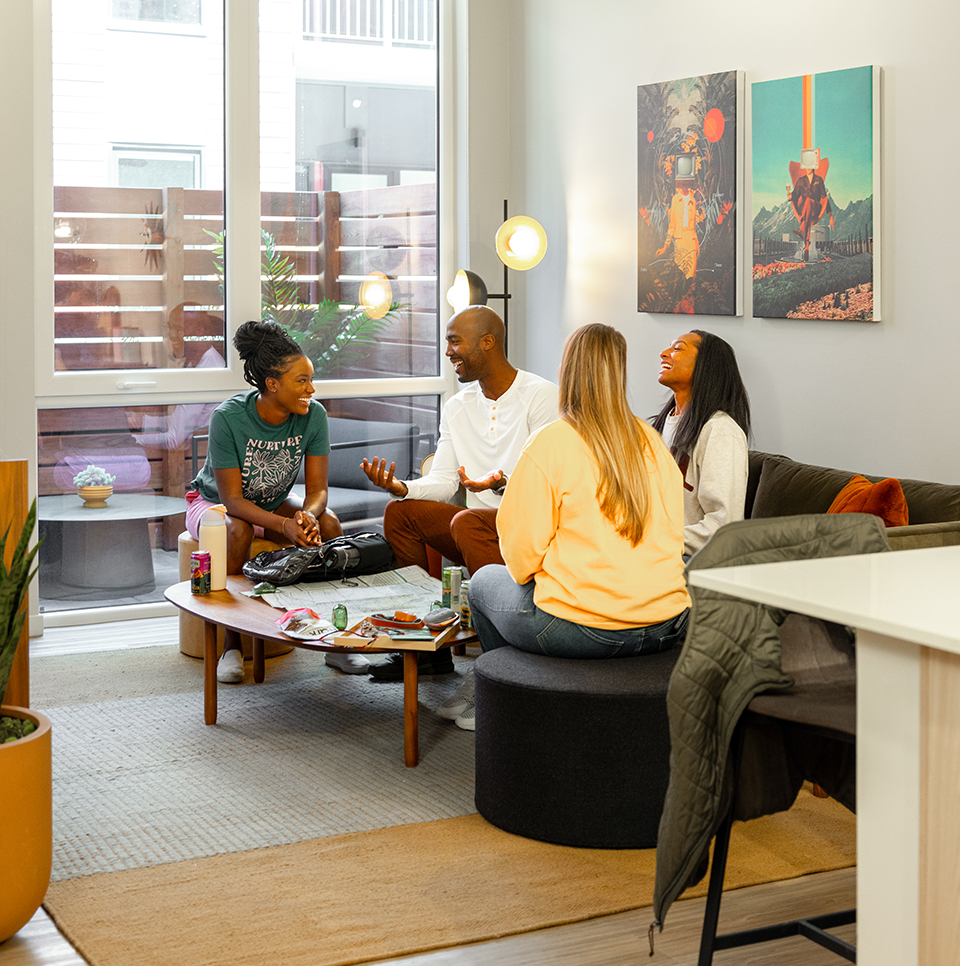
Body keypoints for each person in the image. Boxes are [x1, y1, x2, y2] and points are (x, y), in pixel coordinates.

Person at [443, 324, 691, 730]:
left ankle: (493, 701)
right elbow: (673, 533)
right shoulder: (651, 441)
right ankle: (496, 692)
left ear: (568, 370)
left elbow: (520, 560)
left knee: (486, 581)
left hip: (587, 632)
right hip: (666, 624)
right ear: (619, 371)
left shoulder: (551, 442)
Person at [359, 304, 559, 680]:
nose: (448, 351)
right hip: (475, 527)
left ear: (487, 342)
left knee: (467, 521)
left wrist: (499, 482)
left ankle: (506, 659)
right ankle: (425, 643)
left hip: (528, 528)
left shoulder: (541, 396)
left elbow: (550, 481)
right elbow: (446, 480)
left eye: (454, 341)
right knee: (400, 513)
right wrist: (401, 487)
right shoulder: (457, 406)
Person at [186, 319, 363, 682]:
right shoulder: (229, 418)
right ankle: (231, 645)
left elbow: (317, 493)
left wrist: (309, 517)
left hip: (272, 501)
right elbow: (232, 500)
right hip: (212, 503)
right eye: (302, 381)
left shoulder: (314, 416)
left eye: (311, 380)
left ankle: (335, 643)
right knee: (236, 530)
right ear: (272, 384)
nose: (311, 389)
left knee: (329, 524)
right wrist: (284, 524)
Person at [651, 330, 750, 557]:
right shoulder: (664, 424)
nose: (663, 354)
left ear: (706, 366)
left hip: (685, 560)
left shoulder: (721, 432)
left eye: (677, 348)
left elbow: (723, 527)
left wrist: (654, 540)